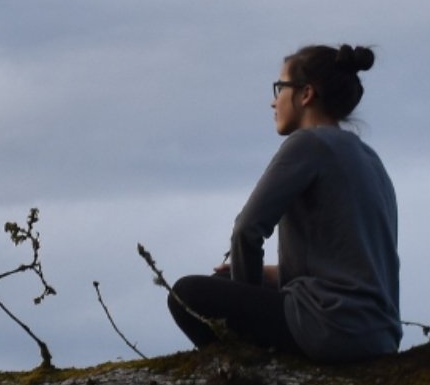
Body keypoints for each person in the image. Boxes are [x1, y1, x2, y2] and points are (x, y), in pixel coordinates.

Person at [168, 43, 401, 363]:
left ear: (305, 94)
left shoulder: (309, 143)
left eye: (280, 88)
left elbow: (246, 230)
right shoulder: (369, 159)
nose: (272, 101)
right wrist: (268, 275)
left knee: (186, 295)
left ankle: (246, 369)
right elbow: (352, 262)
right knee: (225, 279)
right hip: (378, 335)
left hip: (330, 328)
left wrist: (245, 299)